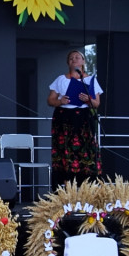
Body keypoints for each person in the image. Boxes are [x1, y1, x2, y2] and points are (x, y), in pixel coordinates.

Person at [47, 49, 103, 185]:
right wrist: (61, 101)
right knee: (65, 149)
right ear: (68, 62)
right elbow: (50, 100)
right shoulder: (61, 79)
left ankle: (86, 186)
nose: (74, 59)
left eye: (77, 57)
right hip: (64, 117)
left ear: (83, 61)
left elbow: (96, 103)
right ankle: (66, 184)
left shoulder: (90, 80)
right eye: (71, 58)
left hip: (83, 118)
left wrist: (87, 99)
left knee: (86, 150)